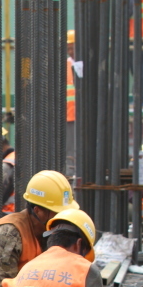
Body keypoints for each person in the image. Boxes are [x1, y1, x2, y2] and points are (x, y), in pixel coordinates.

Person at [66, 29, 77, 177]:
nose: (70, 51)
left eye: (72, 47)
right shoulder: (65, 65)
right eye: (68, 48)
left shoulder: (88, 63)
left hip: (84, 116)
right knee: (70, 151)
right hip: (68, 116)